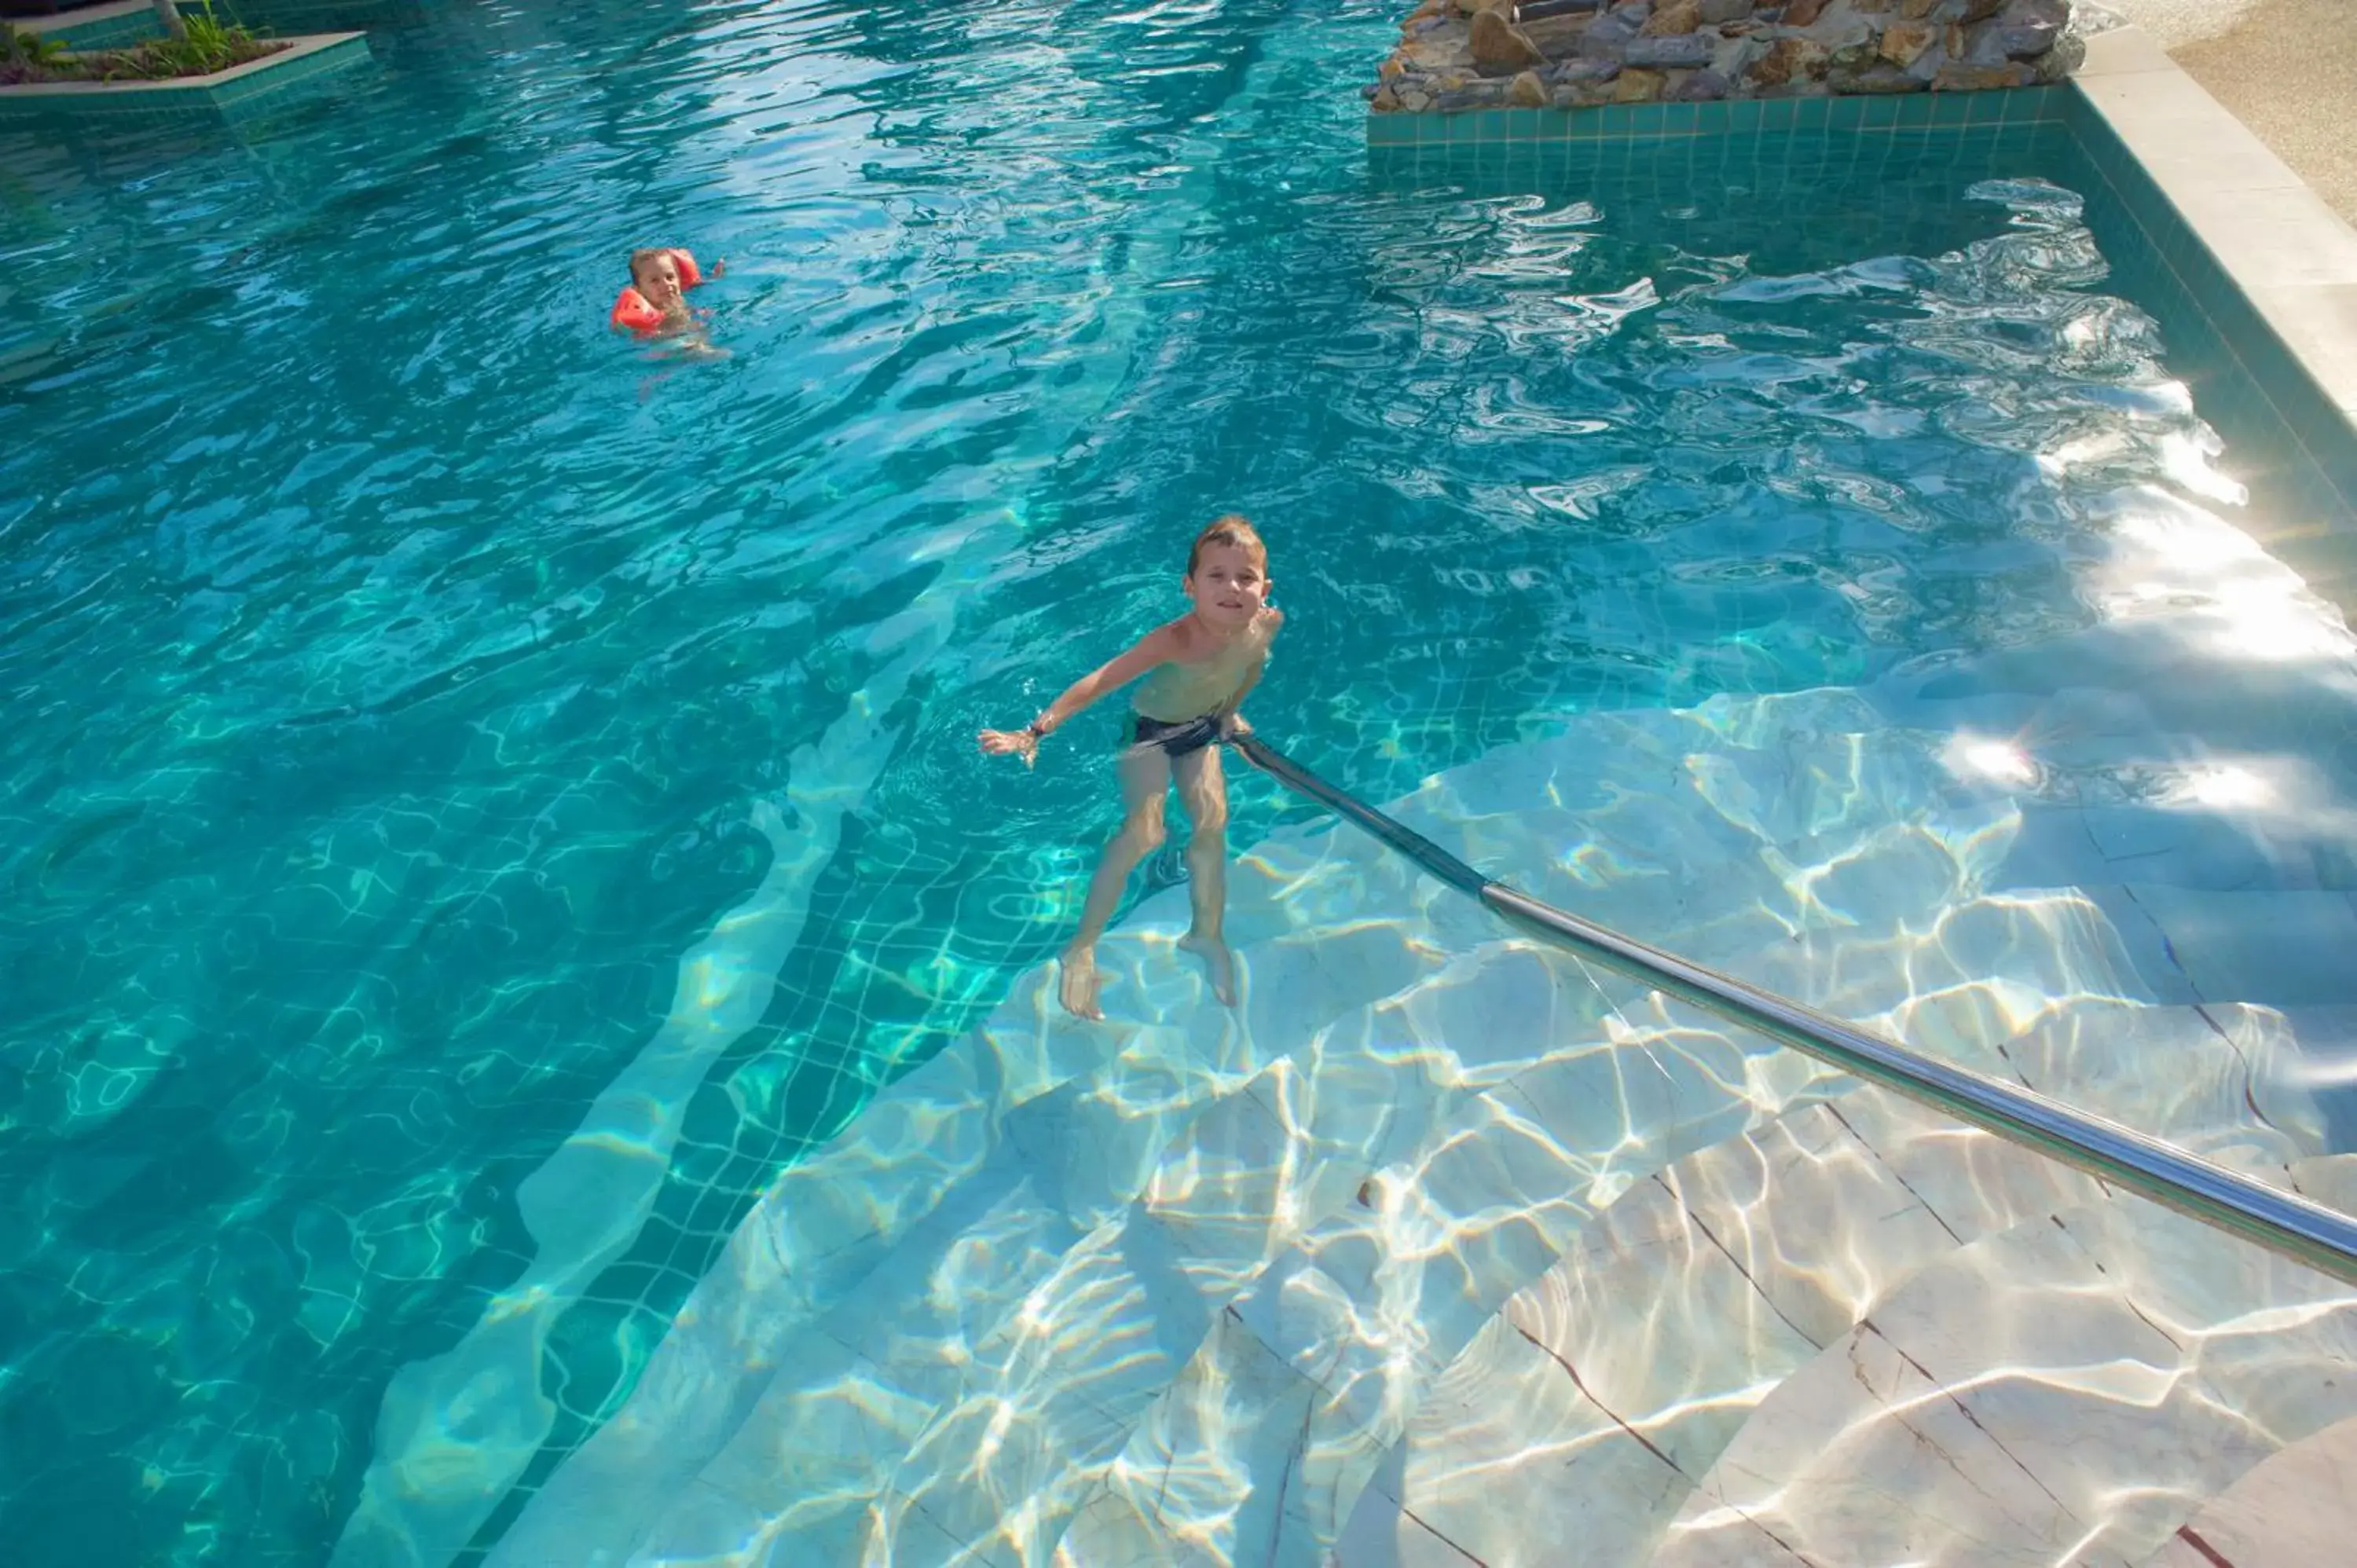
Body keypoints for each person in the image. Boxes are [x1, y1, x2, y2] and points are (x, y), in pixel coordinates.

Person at [979, 515, 1284, 1020]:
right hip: (1151, 734)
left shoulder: (1267, 623)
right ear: (1190, 587)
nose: (1232, 588)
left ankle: (1206, 936)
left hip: (1204, 726)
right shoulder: (1175, 640)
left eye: (1245, 577)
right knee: (1145, 833)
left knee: (1212, 824)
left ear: (1264, 587)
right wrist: (1034, 732)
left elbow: (1251, 665)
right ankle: (1081, 947)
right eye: (1216, 575)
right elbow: (1100, 680)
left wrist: (1230, 713)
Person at [609, 247, 724, 350]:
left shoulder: (675, 298)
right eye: (654, 280)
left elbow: (696, 289)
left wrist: (715, 277)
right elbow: (627, 330)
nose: (666, 284)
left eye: (670, 277)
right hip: (669, 348)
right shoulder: (647, 313)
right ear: (638, 290)